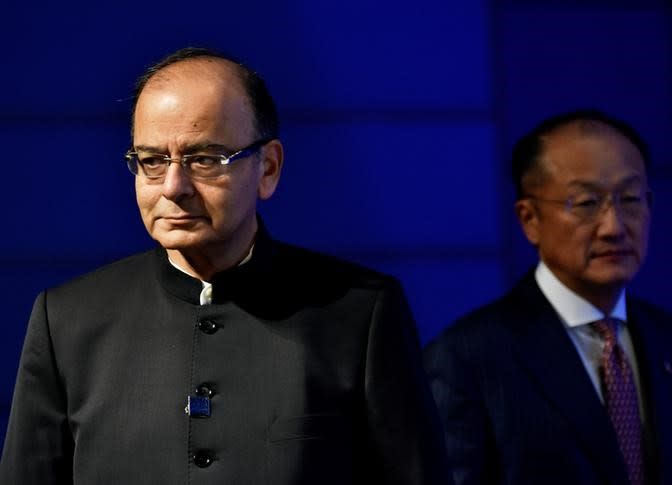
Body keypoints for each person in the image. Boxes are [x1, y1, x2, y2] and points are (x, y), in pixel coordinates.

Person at [0, 47, 452, 485]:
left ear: (268, 168)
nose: (174, 187)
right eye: (153, 161)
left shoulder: (358, 313)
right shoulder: (67, 320)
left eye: (204, 159)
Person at [424, 110, 672, 485]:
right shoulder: (467, 358)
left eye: (630, 199)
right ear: (529, 219)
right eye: (586, 203)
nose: (614, 227)